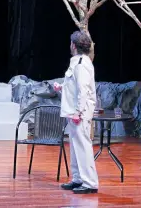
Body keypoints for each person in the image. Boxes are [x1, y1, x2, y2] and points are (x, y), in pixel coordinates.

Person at [53, 31, 99, 194]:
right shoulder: (77, 62)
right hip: (73, 111)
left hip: (79, 113)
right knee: (75, 146)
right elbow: (75, 86)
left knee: (83, 145)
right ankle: (78, 178)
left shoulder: (81, 63)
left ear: (73, 45)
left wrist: (79, 112)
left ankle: (90, 183)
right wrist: (62, 87)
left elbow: (83, 90)